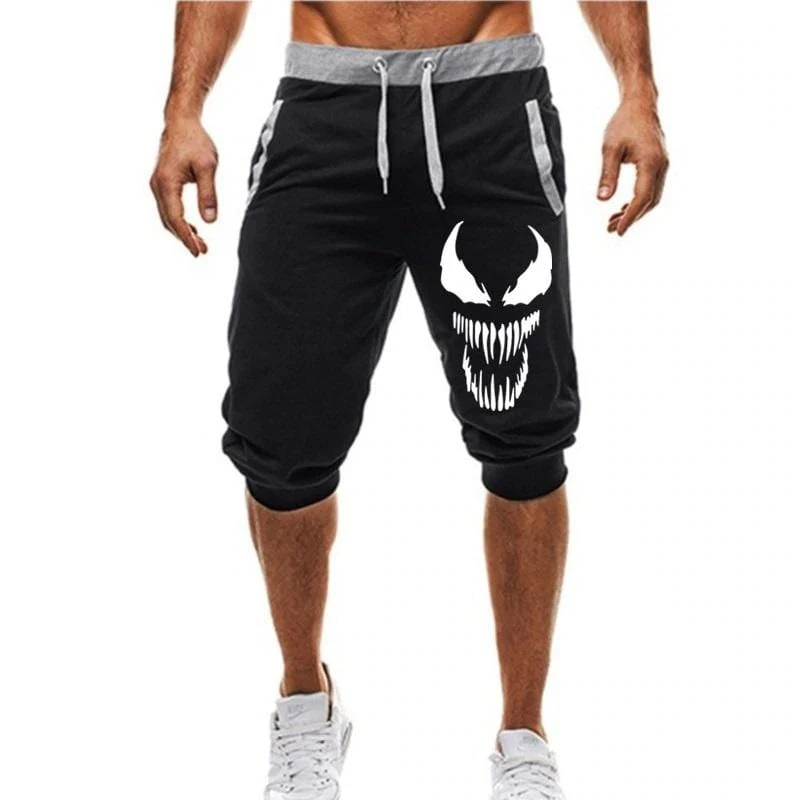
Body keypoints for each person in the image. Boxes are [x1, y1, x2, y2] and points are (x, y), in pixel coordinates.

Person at [150, 2, 668, 798]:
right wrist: (183, 109)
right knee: (279, 442)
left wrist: (638, 90)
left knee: (525, 437)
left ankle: (524, 742)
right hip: (325, 111)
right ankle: (305, 705)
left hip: (490, 107)